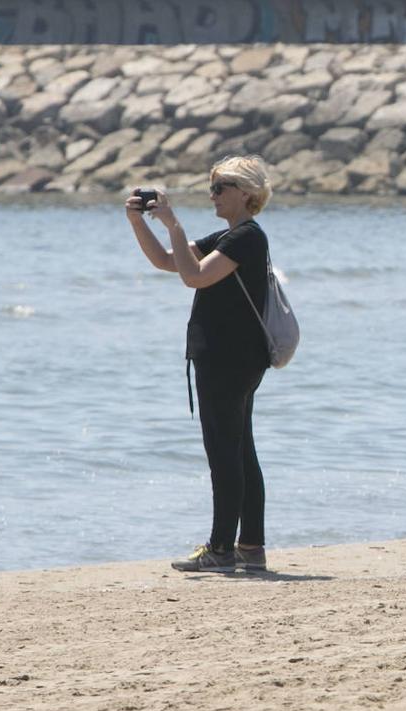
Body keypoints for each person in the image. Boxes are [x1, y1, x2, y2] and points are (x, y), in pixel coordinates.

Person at [126, 156, 274, 573]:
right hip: (235, 358)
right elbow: (167, 262)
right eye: (212, 187)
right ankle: (250, 547)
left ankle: (221, 548)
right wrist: (140, 221)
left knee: (224, 453)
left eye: (220, 187)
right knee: (240, 451)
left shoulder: (246, 237)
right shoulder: (231, 237)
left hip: (229, 359)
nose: (213, 195)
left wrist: (174, 224)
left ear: (245, 193)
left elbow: (195, 278)